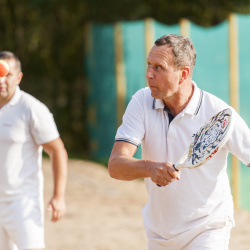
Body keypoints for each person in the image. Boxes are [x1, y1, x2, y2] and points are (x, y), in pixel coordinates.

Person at [108, 34, 250, 250]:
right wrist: (150, 167)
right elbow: (116, 165)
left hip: (208, 229)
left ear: (183, 74)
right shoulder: (141, 101)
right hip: (159, 235)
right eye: (148, 65)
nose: (148, 74)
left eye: (158, 68)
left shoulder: (220, 114)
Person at [0, 51, 68, 250]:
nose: (1, 79)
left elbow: (57, 150)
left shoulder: (31, 109)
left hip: (22, 204)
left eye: (7, 74)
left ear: (19, 77)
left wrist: (59, 196)